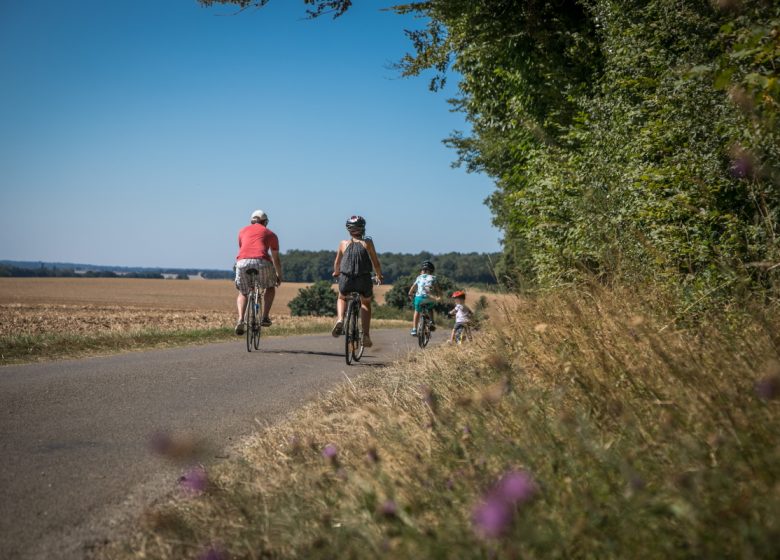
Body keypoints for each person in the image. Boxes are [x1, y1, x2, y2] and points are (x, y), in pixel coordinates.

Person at [331, 215, 383, 348]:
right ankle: (365, 335)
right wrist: (379, 275)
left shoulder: (343, 243)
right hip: (363, 279)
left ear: (348, 230)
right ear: (363, 228)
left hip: (346, 279)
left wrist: (336, 272)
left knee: (342, 297)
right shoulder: (368, 243)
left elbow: (337, 262)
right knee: (365, 302)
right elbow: (375, 262)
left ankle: (340, 319)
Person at [234, 209, 282, 335]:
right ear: (265, 222)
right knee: (270, 287)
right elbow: (276, 258)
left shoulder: (242, 231)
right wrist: (279, 275)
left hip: (242, 263)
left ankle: (240, 319)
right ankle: (265, 317)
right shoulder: (271, 234)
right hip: (262, 262)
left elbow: (243, 249)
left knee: (243, 292)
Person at [407, 260, 440, 336]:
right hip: (429, 298)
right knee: (430, 308)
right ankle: (431, 321)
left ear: (422, 271)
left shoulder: (419, 277)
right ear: (431, 271)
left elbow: (413, 288)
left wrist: (410, 294)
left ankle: (414, 329)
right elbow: (437, 289)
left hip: (419, 298)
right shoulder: (433, 278)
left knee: (417, 311)